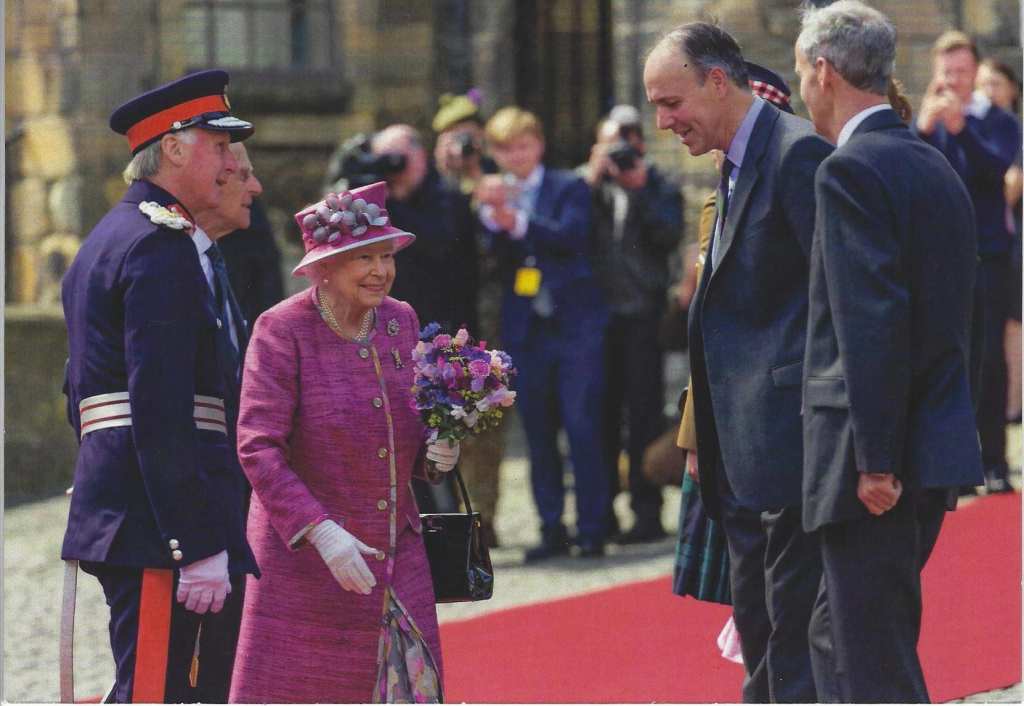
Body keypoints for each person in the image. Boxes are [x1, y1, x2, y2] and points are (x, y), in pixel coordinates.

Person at [794, 2, 985, 700]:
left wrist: (875, 459)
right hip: (930, 442)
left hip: (872, 463)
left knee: (873, 662)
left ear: (823, 71)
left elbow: (869, 323)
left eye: (802, 75)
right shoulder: (933, 165)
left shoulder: (848, 171)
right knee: (835, 634)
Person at [644, 24, 832, 702]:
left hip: (790, 446)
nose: (663, 122)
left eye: (671, 103)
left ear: (718, 82)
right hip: (738, 452)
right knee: (759, 632)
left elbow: (834, 303)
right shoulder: (732, 161)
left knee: (789, 642)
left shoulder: (797, 154)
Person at [59, 69, 259, 703]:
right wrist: (193, 542)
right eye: (220, 147)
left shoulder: (118, 238)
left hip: (141, 513)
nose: (233, 165)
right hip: (156, 525)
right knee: (158, 694)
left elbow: (82, 397)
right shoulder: (156, 245)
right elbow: (158, 407)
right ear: (174, 148)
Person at [230, 181, 459, 703]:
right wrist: (322, 533)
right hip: (309, 566)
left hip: (399, 555)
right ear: (324, 267)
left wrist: (437, 453)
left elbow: (408, 425)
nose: (381, 270)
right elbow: (257, 447)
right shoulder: (282, 329)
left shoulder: (401, 321)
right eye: (364, 258)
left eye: (386, 255)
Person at [673, 61, 801, 653]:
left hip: (774, 418)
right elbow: (706, 326)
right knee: (752, 601)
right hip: (726, 416)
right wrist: (698, 434)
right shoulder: (714, 202)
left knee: (782, 607)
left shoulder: (793, 171)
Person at [476, 106, 611, 559]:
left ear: (539, 145)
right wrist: (491, 219)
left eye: (524, 146)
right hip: (528, 328)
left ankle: (592, 526)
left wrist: (519, 223)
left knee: (580, 424)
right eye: (507, 149)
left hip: (574, 323)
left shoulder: (567, 186)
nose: (517, 156)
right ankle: (551, 527)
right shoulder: (497, 193)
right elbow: (491, 260)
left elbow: (573, 235)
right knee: (536, 430)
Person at [915, 30, 1021, 493]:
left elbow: (997, 170)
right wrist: (921, 130)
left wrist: (962, 129)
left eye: (962, 72)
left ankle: (995, 460)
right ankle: (952, 466)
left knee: (990, 361)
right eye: (946, 73)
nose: (954, 81)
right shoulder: (928, 120)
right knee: (946, 359)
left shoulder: (997, 120)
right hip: (941, 256)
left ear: (975, 72)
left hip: (989, 252)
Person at [583, 104, 684, 544]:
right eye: (613, 141)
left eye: (630, 139)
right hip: (597, 319)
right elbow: (569, 233)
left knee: (644, 416)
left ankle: (647, 513)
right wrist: (591, 179)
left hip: (643, 316)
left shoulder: (658, 185)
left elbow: (668, 235)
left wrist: (639, 191)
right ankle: (601, 512)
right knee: (600, 416)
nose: (622, 150)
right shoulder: (586, 187)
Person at [370, 124, 478, 517]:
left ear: (420, 155)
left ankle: (445, 524)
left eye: (399, 158)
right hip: (385, 336)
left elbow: (441, 246)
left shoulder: (447, 197)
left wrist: (398, 201)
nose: (393, 168)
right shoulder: (373, 199)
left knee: (438, 447)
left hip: (438, 337)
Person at [432, 95, 507, 547]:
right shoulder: (430, 192)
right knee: (442, 423)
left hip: (490, 319)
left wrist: (481, 179)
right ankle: (447, 518)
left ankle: (483, 516)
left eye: (470, 136)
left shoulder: (495, 182)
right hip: (444, 324)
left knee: (486, 425)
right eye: (452, 137)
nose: (463, 146)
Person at [976, 59, 1023, 424]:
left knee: (1012, 327)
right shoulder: (979, 130)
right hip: (994, 245)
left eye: (996, 83)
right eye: (983, 84)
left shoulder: (1014, 132)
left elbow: (1008, 190)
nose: (989, 92)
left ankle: (1012, 406)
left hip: (1011, 242)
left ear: (1012, 90)